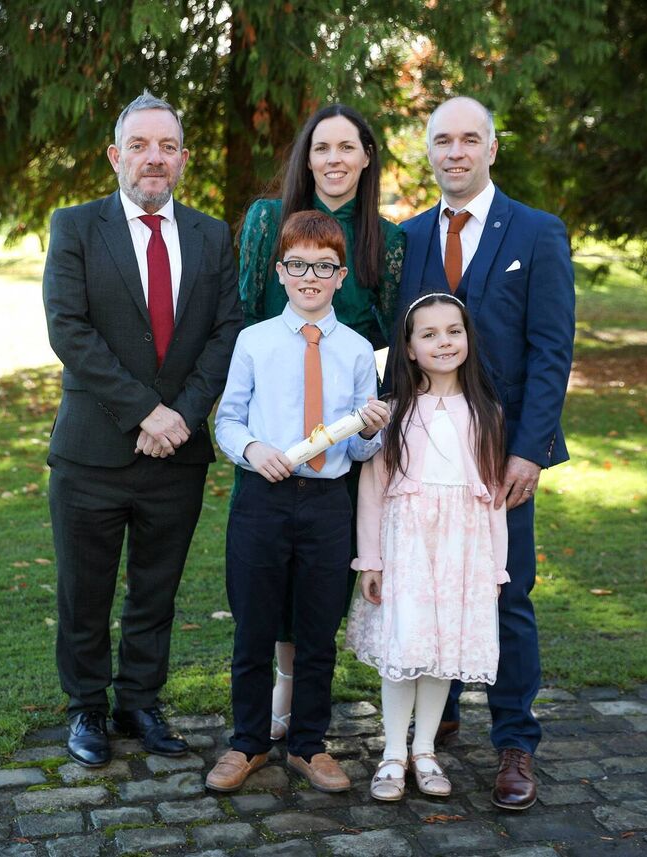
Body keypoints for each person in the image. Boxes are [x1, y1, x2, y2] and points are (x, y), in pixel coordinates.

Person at [43, 91, 243, 768]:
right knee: (85, 592)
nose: (153, 158)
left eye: (166, 146)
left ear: (183, 158)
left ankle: (140, 702)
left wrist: (182, 415)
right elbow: (69, 329)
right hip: (92, 452)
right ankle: (87, 708)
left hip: (177, 454)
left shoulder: (211, 235)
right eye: (139, 145)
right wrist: (144, 412)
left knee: (156, 591)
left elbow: (226, 332)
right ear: (115, 156)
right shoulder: (75, 226)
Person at [397, 96, 576, 810]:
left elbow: (551, 348)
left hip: (503, 453)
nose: (456, 152)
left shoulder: (537, 232)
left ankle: (515, 741)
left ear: (492, 149)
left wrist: (529, 450)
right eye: (443, 140)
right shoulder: (409, 238)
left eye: (469, 139)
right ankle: (435, 716)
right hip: (424, 451)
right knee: (428, 582)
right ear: (429, 151)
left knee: (506, 591)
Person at [206, 211, 391, 794]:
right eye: (298, 265)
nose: (310, 277)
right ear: (280, 272)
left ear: (341, 277)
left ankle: (309, 745)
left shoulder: (358, 351)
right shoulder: (254, 341)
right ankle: (248, 741)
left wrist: (370, 430)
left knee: (317, 630)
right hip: (262, 499)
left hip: (327, 505)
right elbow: (228, 420)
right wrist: (252, 449)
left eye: (324, 267)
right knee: (253, 627)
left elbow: (361, 447)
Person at [237, 103, 404, 742]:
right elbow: (245, 311)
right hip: (271, 436)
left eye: (347, 147)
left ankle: (305, 711)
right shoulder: (267, 221)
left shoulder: (387, 242)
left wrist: (368, 417)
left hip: (339, 432)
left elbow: (389, 333)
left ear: (366, 158)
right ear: (306, 159)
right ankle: (275, 693)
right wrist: (252, 433)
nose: (334, 159)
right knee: (266, 578)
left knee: (321, 579)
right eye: (321, 148)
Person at [346, 292, 509, 802]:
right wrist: (370, 560)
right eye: (429, 334)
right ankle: (393, 752)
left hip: (464, 548)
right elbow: (373, 489)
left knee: (441, 652)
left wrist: (497, 568)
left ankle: (424, 750)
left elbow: (494, 498)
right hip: (407, 547)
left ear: (468, 339)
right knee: (407, 644)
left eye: (454, 331)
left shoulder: (487, 412)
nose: (444, 342)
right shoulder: (393, 413)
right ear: (410, 348)